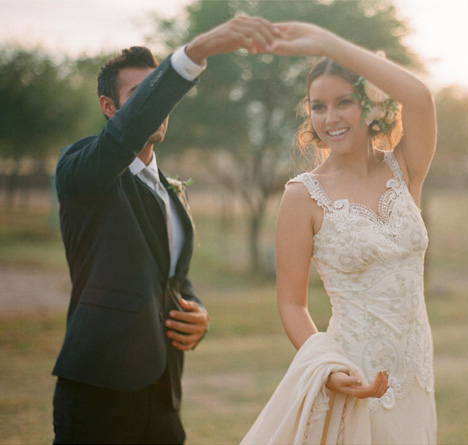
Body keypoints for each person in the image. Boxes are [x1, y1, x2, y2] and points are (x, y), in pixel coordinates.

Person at [51, 16, 279, 444]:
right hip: (99, 393)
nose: (158, 108)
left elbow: (170, 274)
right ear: (110, 108)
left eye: (161, 97)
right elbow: (119, 140)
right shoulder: (83, 169)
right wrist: (197, 52)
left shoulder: (172, 190)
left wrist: (197, 314)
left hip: (164, 396)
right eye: (142, 97)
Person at [242, 22, 437, 444]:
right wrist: (329, 368)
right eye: (318, 106)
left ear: (371, 106)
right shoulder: (302, 197)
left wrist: (328, 43)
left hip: (417, 374)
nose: (329, 118)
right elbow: (292, 303)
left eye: (344, 102)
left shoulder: (404, 170)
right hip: (353, 371)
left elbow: (420, 99)